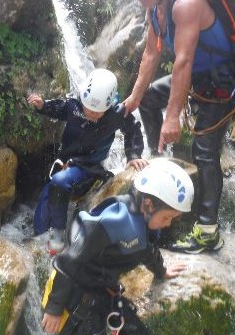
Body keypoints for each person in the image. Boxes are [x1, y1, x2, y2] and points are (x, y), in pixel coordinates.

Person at [120, 0, 235, 253]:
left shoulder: (186, 3)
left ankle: (208, 231)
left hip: (221, 80)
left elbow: (183, 61)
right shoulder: (154, 7)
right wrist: (134, 98)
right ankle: (164, 158)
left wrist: (173, 117)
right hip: (197, 78)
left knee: (205, 151)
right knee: (151, 99)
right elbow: (151, 53)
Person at [40, 159, 191, 335]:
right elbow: (67, 262)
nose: (169, 223)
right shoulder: (115, 221)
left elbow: (148, 249)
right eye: (168, 217)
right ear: (149, 204)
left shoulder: (145, 221)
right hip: (71, 292)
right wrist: (54, 308)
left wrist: (161, 271)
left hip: (100, 288)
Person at [27, 68, 149, 254]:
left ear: (109, 105)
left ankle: (58, 235)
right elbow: (59, 108)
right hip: (66, 162)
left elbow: (132, 130)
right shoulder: (75, 106)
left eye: (97, 112)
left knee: (59, 182)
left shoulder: (115, 115)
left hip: (90, 168)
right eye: (88, 109)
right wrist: (43, 105)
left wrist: (133, 156)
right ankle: (39, 237)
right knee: (48, 191)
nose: (91, 113)